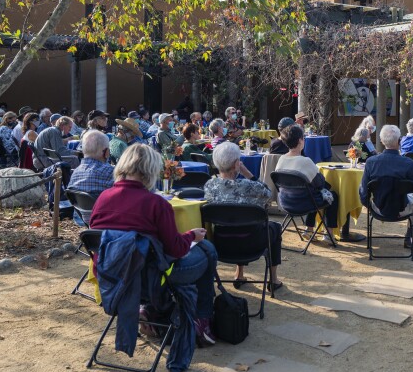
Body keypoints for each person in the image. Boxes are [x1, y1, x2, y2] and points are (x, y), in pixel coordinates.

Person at [89, 143, 217, 346]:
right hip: (149, 281)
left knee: (151, 258)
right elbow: (175, 248)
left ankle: (150, 309)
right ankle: (201, 318)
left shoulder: (103, 198)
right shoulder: (156, 204)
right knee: (208, 250)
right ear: (150, 170)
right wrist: (191, 236)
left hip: (112, 277)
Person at [204, 142, 283, 291]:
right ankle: (273, 280)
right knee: (275, 227)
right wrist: (248, 174)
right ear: (236, 164)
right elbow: (268, 194)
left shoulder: (209, 186)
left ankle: (239, 274)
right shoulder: (250, 187)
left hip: (220, 243)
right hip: (251, 243)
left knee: (234, 221)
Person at [359, 125, 413, 248]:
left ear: (381, 141)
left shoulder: (371, 163)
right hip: (402, 209)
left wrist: (370, 207)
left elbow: (363, 192)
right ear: (399, 141)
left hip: (378, 208)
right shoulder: (409, 164)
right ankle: (409, 236)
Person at [275, 125, 341, 244]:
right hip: (303, 203)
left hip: (286, 202)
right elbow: (320, 183)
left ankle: (309, 229)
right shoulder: (305, 161)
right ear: (300, 141)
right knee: (332, 195)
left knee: (310, 191)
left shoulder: (281, 159)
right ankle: (329, 234)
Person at [67, 130, 115, 197]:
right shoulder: (111, 172)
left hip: (78, 207)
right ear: (106, 152)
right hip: (102, 207)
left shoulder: (76, 172)